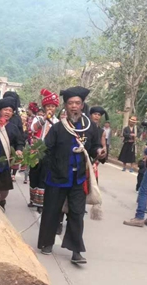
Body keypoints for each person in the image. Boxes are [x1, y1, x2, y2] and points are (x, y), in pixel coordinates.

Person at [37, 86, 105, 264]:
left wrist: (99, 150)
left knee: (76, 213)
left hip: (79, 179)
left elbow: (95, 146)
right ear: (65, 106)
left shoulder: (90, 128)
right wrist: (53, 167)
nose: (74, 106)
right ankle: (47, 242)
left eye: (77, 103)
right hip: (57, 177)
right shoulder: (58, 128)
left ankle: (76, 250)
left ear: (82, 105)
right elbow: (46, 150)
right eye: (70, 103)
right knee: (52, 211)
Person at [0, 97, 25, 209]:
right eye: (5, 110)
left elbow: (20, 142)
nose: (7, 112)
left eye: (10, 110)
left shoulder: (13, 128)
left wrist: (19, 150)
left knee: (4, 187)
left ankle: (1, 200)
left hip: (4, 161)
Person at [28, 89, 60, 212]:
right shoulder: (38, 119)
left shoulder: (57, 122)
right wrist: (45, 118)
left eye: (53, 106)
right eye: (48, 106)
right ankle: (32, 199)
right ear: (44, 107)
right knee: (34, 174)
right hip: (35, 152)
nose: (50, 108)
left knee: (44, 176)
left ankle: (40, 203)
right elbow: (33, 128)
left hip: (48, 154)